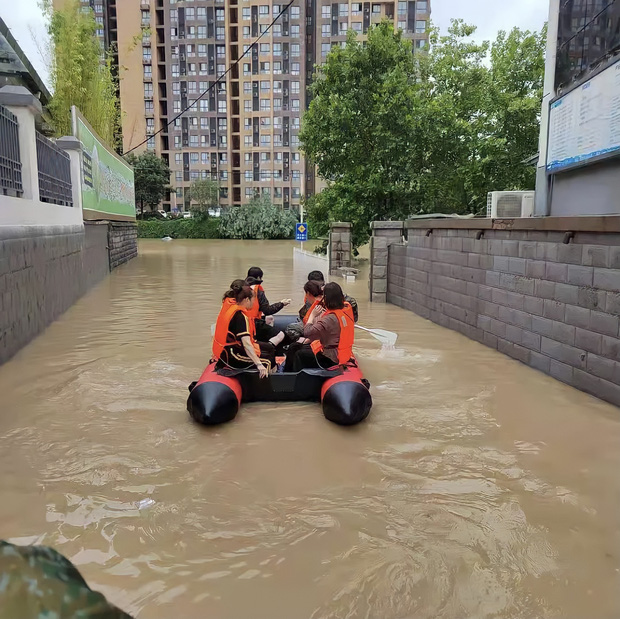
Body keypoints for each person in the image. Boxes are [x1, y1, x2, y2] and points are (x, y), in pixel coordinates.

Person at [285, 282, 355, 372]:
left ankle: (293, 378)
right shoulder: (345, 311)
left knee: (299, 354)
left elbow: (307, 332)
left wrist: (312, 316)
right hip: (339, 353)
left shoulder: (330, 319)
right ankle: (287, 373)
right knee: (294, 347)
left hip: (330, 358)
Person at [213, 279, 275, 377]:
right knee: (266, 362)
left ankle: (275, 376)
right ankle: (265, 390)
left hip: (231, 349)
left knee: (269, 349)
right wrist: (259, 364)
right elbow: (246, 344)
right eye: (253, 300)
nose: (254, 303)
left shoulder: (232, 308)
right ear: (246, 300)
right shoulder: (240, 316)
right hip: (232, 355)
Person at [245, 266, 291, 347]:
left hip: (244, 321)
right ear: (259, 277)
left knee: (269, 318)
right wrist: (282, 304)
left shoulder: (242, 288)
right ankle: (267, 348)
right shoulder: (258, 290)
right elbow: (267, 310)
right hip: (253, 324)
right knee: (280, 335)